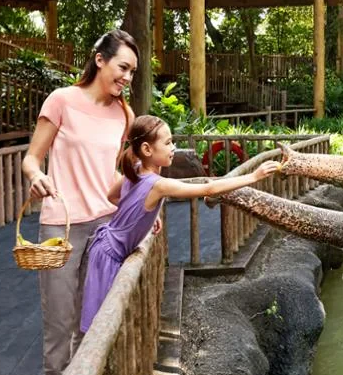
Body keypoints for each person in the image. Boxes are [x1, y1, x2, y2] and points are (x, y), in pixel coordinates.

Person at [80, 116, 281, 333]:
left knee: (108, 323)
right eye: (167, 143)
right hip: (109, 256)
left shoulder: (136, 168)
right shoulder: (157, 184)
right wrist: (253, 176)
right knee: (101, 327)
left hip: (106, 246)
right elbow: (209, 189)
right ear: (147, 149)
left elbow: (113, 197)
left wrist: (145, 214)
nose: (173, 147)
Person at [22, 30, 139, 375]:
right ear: (100, 60)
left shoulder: (124, 113)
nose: (127, 77)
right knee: (59, 325)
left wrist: (144, 211)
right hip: (61, 225)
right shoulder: (61, 100)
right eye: (123, 67)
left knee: (92, 323)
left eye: (133, 72)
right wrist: (36, 176)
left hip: (105, 226)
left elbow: (122, 173)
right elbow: (31, 158)